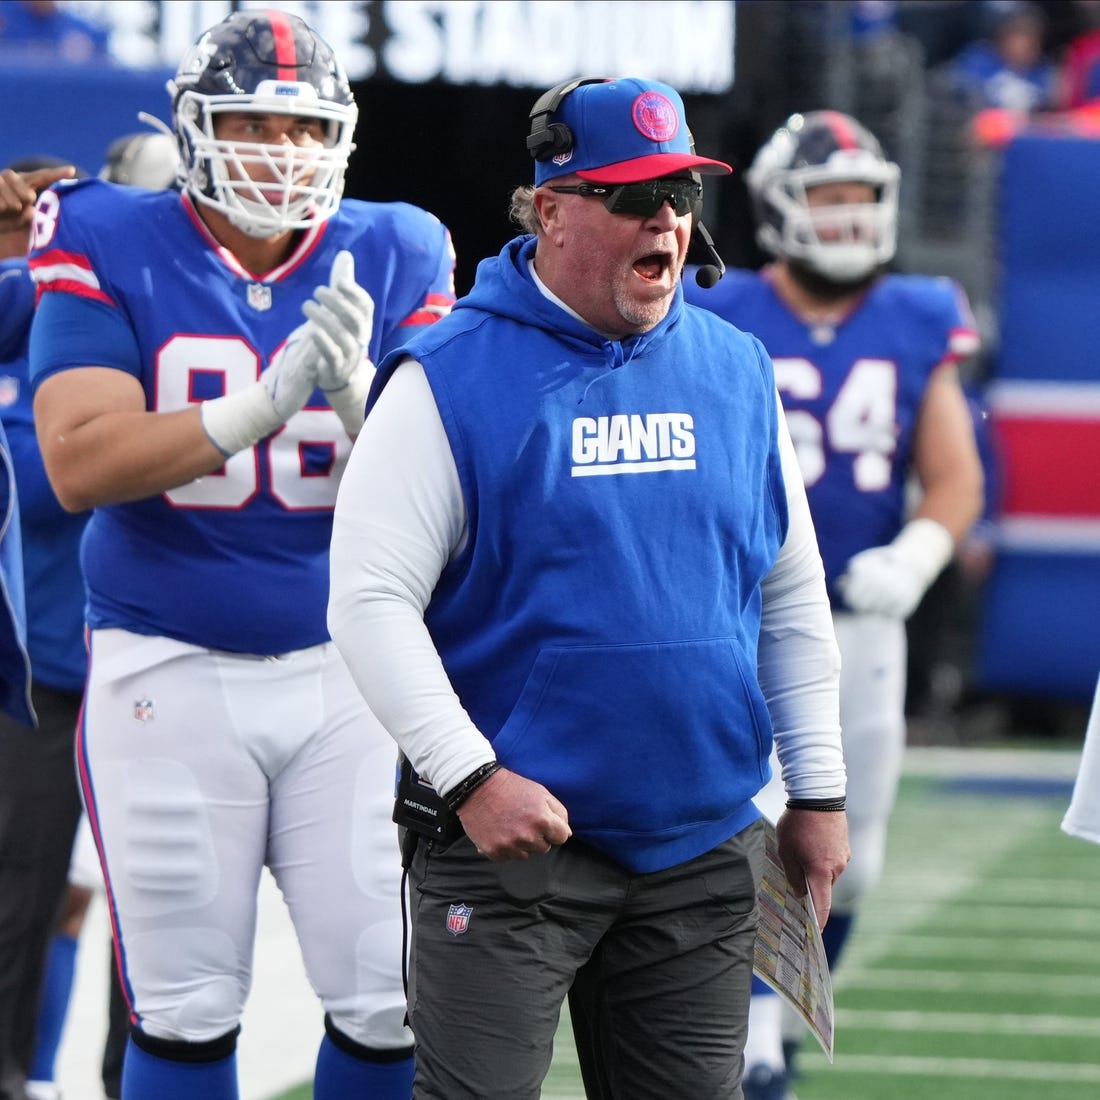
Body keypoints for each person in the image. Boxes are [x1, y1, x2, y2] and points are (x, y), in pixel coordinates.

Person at [328, 75, 850, 1100]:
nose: (663, 217)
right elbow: (368, 597)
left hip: (699, 840)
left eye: (678, 193)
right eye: (629, 196)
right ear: (550, 207)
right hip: (509, 846)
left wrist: (817, 787)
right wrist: (470, 777)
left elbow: (787, 589)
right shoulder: (449, 371)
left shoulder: (735, 366)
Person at [27, 9, 455, 1100]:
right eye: (256, 121)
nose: (282, 151)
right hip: (165, 667)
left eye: (307, 129)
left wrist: (367, 403)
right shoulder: (103, 230)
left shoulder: (397, 242)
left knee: (386, 997)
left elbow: (462, 495)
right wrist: (251, 408)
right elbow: (77, 460)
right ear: (193, 125)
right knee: (181, 1005)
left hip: (351, 672)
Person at [685, 109, 985, 1100]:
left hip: (859, 617)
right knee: (743, 825)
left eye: (862, 196)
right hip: (737, 612)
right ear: (777, 208)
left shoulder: (914, 311)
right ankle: (754, 1029)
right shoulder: (717, 307)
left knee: (847, 862)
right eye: (827, 195)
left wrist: (915, 550)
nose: (849, 217)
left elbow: (953, 475)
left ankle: (778, 1009)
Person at [21, 131, 182, 1100]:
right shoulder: (68, 307)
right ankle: (34, 1075)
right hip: (62, 657)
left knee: (139, 914)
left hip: (161, 660)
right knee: (62, 897)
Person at [0, 154, 85, 1100]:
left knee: (142, 910)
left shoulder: (131, 319)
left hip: (149, 662)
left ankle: (79, 1080)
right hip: (36, 679)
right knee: (25, 902)